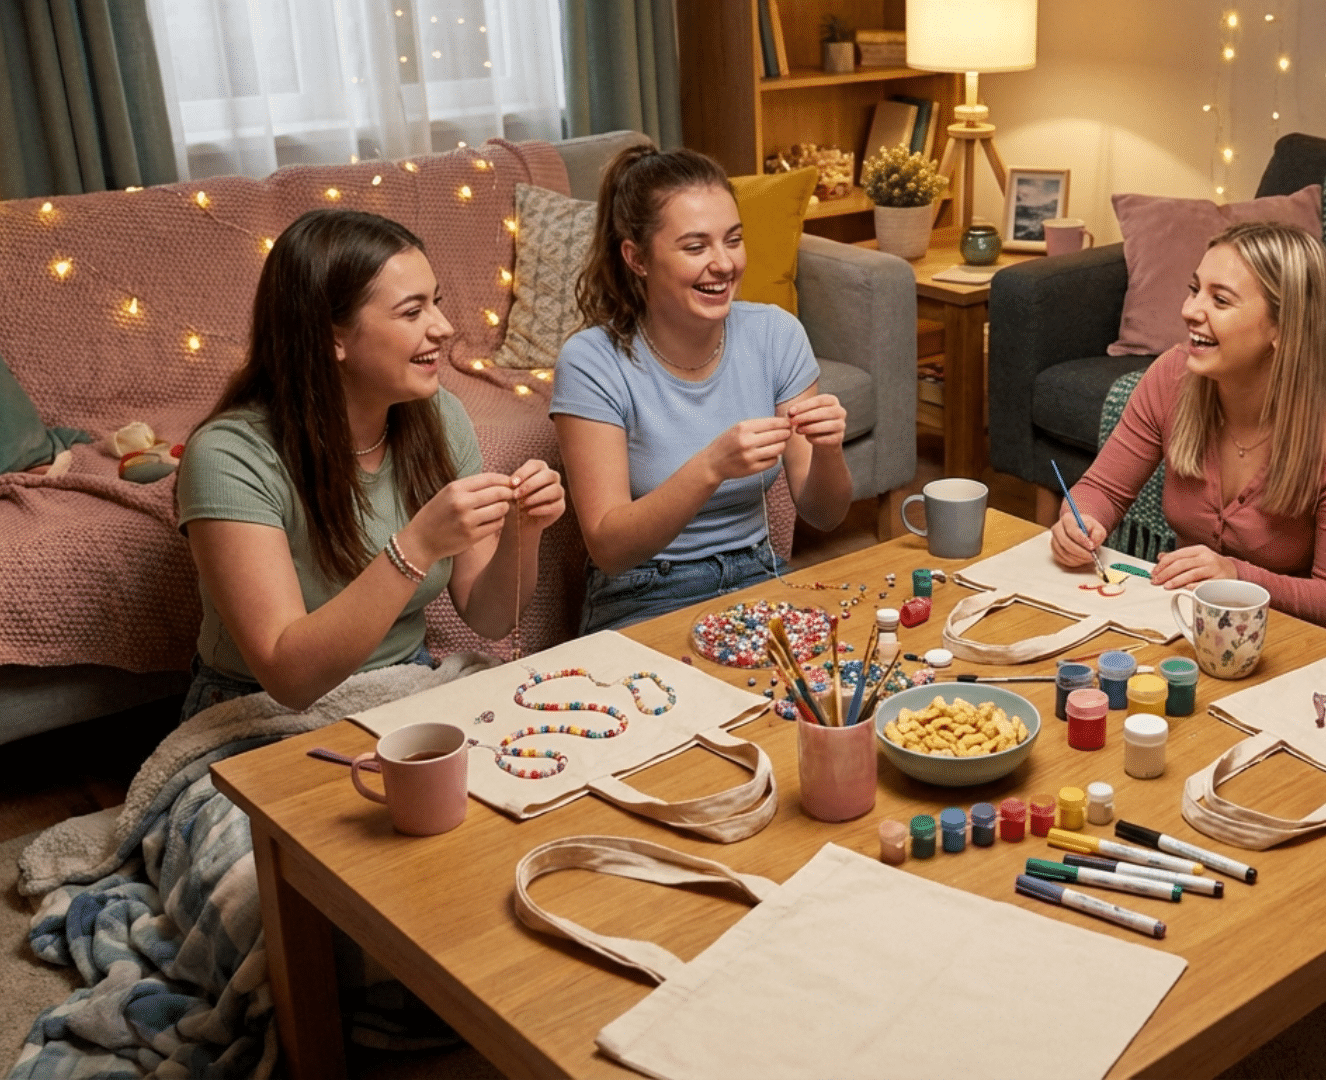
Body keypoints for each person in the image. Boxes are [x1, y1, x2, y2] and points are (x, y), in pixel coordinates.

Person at [175, 209, 566, 719]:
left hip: (406, 684)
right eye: (412, 312)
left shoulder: (439, 417)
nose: (444, 328)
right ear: (331, 336)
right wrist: (417, 546)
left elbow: (489, 616)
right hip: (259, 711)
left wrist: (523, 531)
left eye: (437, 303)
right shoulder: (228, 458)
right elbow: (289, 679)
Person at [552, 146, 850, 632]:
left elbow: (825, 513)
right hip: (641, 592)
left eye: (733, 240)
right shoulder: (592, 362)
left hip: (758, 572)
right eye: (696, 247)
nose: (724, 263)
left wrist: (829, 449)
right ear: (637, 258)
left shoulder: (776, 334)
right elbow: (608, 549)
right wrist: (711, 467)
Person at [1051, 221, 1326, 633]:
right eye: (1195, 290)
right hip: (1175, 623)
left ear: (1283, 327)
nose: (1189, 310)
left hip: (1284, 642)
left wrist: (1236, 577)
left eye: (1220, 300)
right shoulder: (1172, 376)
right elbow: (1100, 490)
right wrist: (1079, 521)